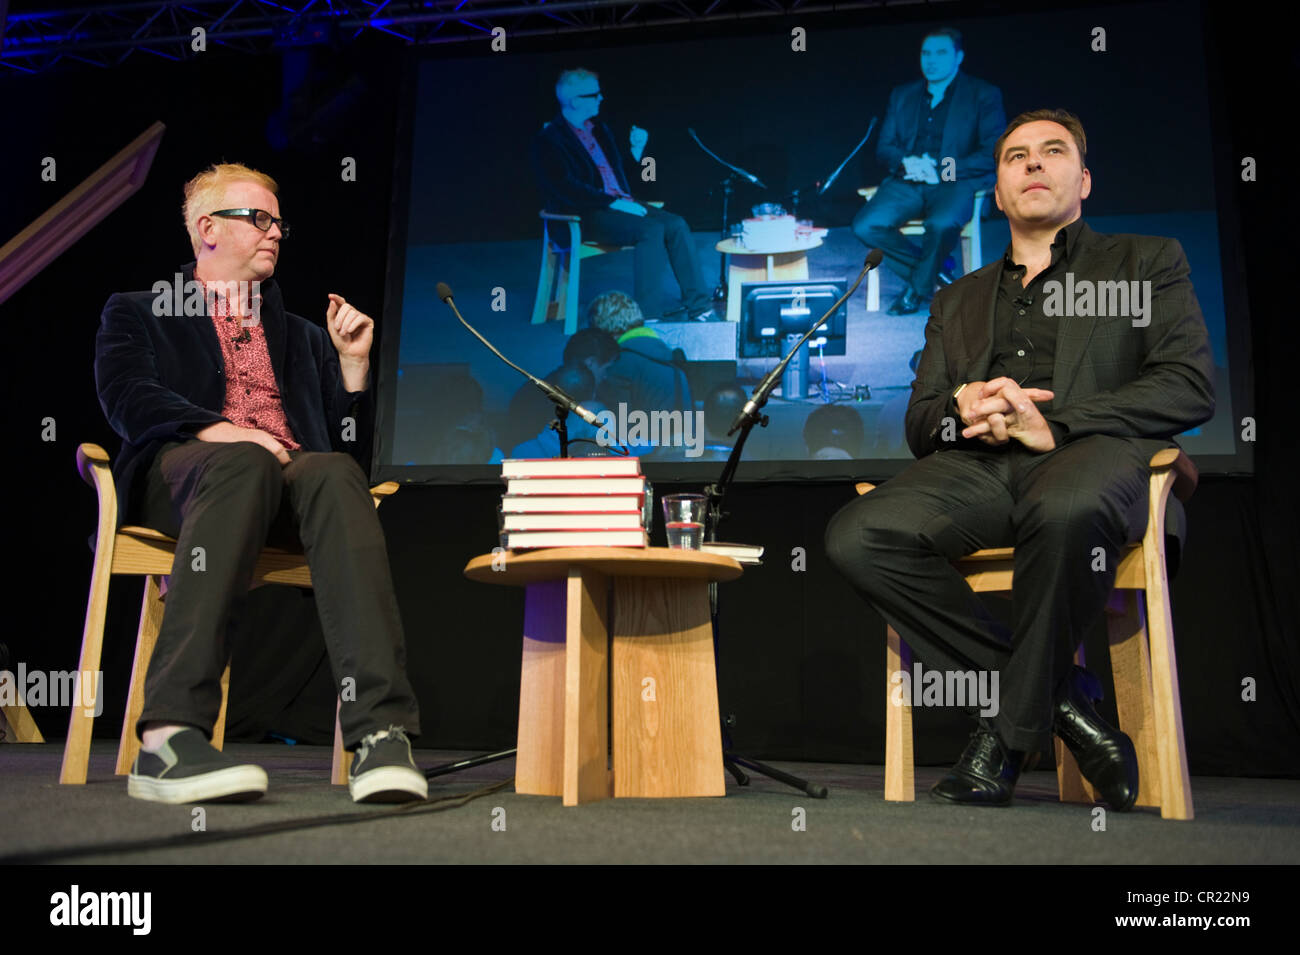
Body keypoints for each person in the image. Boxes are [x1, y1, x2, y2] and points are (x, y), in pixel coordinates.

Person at [825, 110, 1215, 809]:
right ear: (998, 194)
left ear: (1084, 180)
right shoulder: (957, 297)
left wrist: (1056, 422)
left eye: (1053, 152)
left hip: (1092, 455)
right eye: (1016, 157)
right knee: (857, 534)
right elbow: (922, 423)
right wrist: (962, 406)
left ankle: (1001, 738)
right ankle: (1067, 704)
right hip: (978, 470)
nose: (1033, 164)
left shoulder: (1146, 261)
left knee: (1064, 505)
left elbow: (1187, 384)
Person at [94, 163, 426, 805]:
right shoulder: (139, 311)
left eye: (279, 222)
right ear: (207, 228)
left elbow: (349, 452)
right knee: (243, 462)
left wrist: (352, 368)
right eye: (259, 218)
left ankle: (382, 734)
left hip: (286, 487)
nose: (275, 232)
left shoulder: (301, 337)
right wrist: (227, 432)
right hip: (186, 479)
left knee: (332, 474)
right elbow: (129, 401)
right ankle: (168, 739)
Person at [531, 68, 716, 322]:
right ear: (575, 101)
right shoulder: (549, 139)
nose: (601, 98)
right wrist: (614, 203)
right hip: (583, 213)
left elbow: (618, 179)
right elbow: (566, 188)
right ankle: (648, 316)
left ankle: (700, 306)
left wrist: (635, 151)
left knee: (676, 224)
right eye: (594, 94)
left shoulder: (599, 130)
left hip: (617, 205)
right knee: (649, 230)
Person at [852, 27, 1005, 315]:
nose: (931, 60)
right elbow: (885, 147)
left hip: (954, 180)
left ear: (959, 57)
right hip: (909, 179)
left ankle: (917, 290)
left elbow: (993, 152)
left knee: (942, 224)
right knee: (865, 225)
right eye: (926, 53)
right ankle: (936, 276)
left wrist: (941, 170)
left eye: (941, 52)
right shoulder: (903, 95)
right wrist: (906, 162)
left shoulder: (982, 94)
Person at [587, 291, 693, 456]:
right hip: (678, 461)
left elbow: (614, 437)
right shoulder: (670, 359)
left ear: (602, 329)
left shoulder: (620, 365)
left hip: (642, 465)